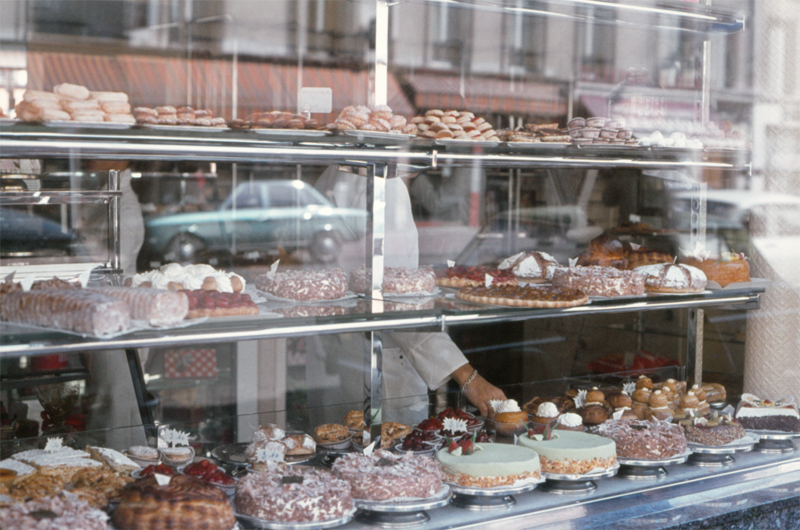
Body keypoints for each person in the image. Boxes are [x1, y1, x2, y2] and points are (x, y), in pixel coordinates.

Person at [309, 165, 506, 425]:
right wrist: (469, 378)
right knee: (391, 455)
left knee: (341, 450)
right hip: (383, 370)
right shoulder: (387, 187)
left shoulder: (333, 173)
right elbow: (397, 301)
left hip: (340, 357)